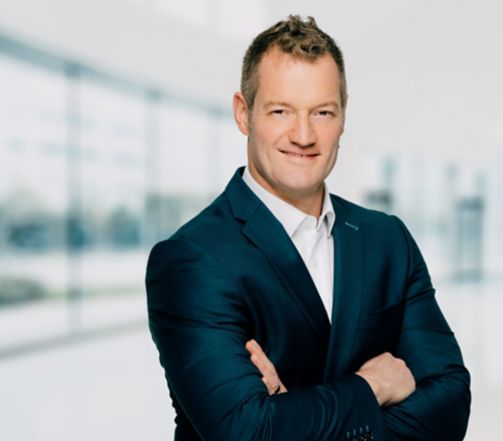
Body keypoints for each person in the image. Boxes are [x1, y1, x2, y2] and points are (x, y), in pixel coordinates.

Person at [146, 15, 470, 441]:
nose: (303, 135)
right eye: (281, 111)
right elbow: (247, 433)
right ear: (243, 113)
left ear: (343, 115)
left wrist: (289, 414)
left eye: (322, 112)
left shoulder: (388, 241)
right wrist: (372, 387)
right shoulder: (192, 260)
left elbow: (450, 405)